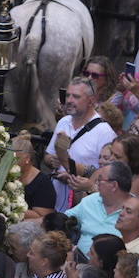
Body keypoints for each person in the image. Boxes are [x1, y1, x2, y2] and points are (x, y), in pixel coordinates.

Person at [48, 78, 117, 211]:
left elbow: (106, 174)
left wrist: (72, 173)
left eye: (76, 96)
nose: (69, 100)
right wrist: (52, 161)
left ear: (91, 100)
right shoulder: (63, 121)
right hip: (54, 196)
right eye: (68, 95)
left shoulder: (105, 133)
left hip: (81, 204)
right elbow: (47, 156)